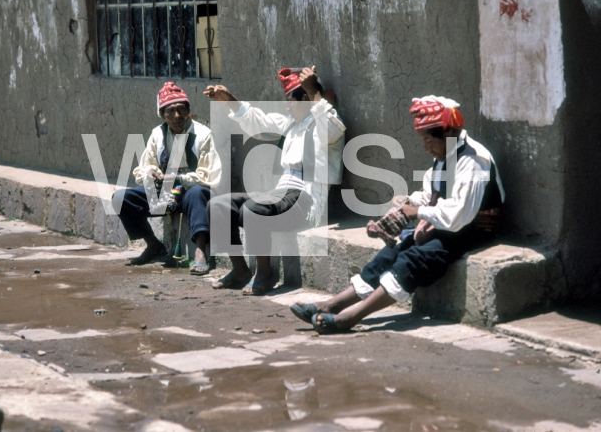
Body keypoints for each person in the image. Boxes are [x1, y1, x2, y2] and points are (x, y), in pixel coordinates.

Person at [290, 95, 505, 333]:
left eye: (429, 141)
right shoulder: (445, 158)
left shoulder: (473, 159)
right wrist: (408, 203)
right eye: (423, 141)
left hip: (473, 230)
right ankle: (333, 304)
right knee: (392, 251)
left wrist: (418, 212)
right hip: (448, 227)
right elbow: (432, 193)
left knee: (414, 258)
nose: (427, 148)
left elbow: (459, 215)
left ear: (448, 133)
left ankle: (351, 318)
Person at [204, 67, 346, 295]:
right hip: (282, 194)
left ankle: (265, 273)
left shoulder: (326, 123)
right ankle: (240, 270)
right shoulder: (291, 125)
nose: (287, 106)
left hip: (307, 201)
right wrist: (230, 100)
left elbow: (329, 128)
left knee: (254, 208)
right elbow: (258, 121)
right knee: (219, 205)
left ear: (307, 99)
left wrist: (313, 91)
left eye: (291, 100)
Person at [113, 82, 221, 272]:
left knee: (197, 194)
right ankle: (154, 245)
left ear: (188, 111)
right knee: (121, 198)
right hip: (165, 193)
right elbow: (143, 168)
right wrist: (151, 174)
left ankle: (200, 252)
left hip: (189, 192)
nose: (177, 116)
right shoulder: (158, 135)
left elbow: (210, 175)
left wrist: (178, 179)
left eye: (181, 110)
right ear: (162, 115)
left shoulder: (203, 134)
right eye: (170, 112)